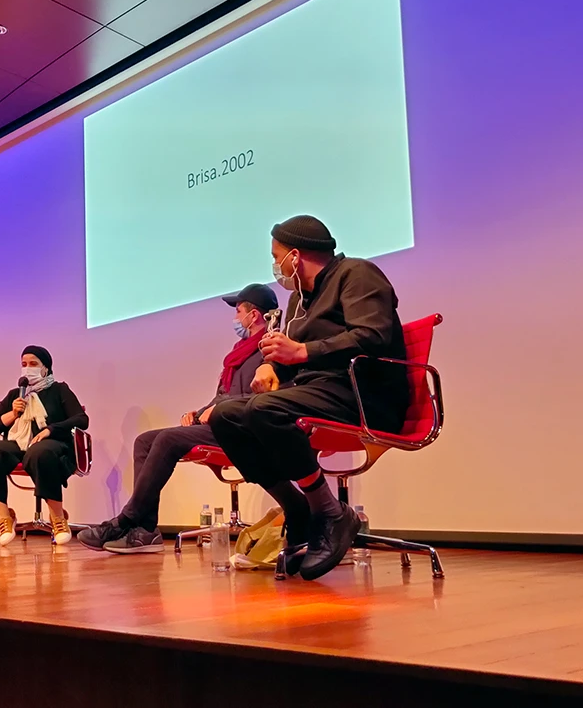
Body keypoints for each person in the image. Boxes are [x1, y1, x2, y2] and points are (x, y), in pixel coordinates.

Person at [208, 215, 409, 581]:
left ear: (295, 256)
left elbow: (373, 335)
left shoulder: (357, 274)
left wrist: (300, 352)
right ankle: (298, 509)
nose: (275, 265)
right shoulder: (299, 299)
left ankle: (330, 513)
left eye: (276, 256)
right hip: (319, 390)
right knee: (227, 416)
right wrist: (277, 368)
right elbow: (299, 354)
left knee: (265, 410)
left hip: (365, 395)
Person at [78, 284, 280, 554]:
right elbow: (222, 395)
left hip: (243, 427)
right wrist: (199, 412)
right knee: (144, 440)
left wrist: (219, 410)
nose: (235, 318)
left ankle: (126, 519)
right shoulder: (237, 353)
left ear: (254, 315)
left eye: (239, 311)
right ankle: (146, 531)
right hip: (221, 421)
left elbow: (265, 396)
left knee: (168, 438)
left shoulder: (272, 349)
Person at [0, 346, 88, 546]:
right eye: (24, 365)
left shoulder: (59, 390)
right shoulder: (15, 395)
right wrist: (12, 414)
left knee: (40, 452)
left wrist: (50, 430)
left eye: (33, 364)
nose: (27, 369)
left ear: (45, 368)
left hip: (53, 446)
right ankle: (4, 518)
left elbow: (81, 419)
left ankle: (58, 517)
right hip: (19, 446)